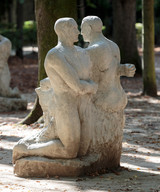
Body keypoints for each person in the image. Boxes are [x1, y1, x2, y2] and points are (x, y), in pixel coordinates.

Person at [13, 18, 97, 163]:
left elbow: (88, 77)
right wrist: (92, 86)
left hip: (83, 104)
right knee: (69, 151)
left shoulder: (79, 52)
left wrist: (88, 85)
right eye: (74, 28)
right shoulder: (55, 55)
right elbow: (77, 85)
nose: (78, 32)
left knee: (83, 150)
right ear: (63, 31)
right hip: (65, 106)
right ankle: (24, 149)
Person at [81, 16, 136, 167]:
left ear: (89, 28)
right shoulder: (113, 45)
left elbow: (91, 80)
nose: (80, 32)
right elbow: (113, 69)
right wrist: (124, 69)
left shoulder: (93, 50)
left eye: (82, 28)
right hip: (119, 96)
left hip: (103, 100)